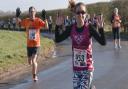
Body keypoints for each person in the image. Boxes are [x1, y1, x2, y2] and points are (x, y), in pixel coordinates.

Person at [55, 1, 106, 89]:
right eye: (78, 12)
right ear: (74, 14)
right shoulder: (71, 28)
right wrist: (57, 26)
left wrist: (101, 29)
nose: (80, 15)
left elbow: (103, 42)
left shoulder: (89, 28)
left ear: (86, 14)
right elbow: (58, 39)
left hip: (87, 68)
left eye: (83, 12)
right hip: (76, 68)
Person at [17, 6, 48, 82]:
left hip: (36, 44)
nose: (32, 13)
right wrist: (17, 16)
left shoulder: (38, 20)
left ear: (35, 12)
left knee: (34, 61)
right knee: (29, 62)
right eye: (30, 11)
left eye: (33, 11)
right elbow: (18, 25)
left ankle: (34, 76)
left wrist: (45, 18)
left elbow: (46, 27)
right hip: (29, 45)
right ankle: (33, 68)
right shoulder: (26, 21)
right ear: (29, 13)